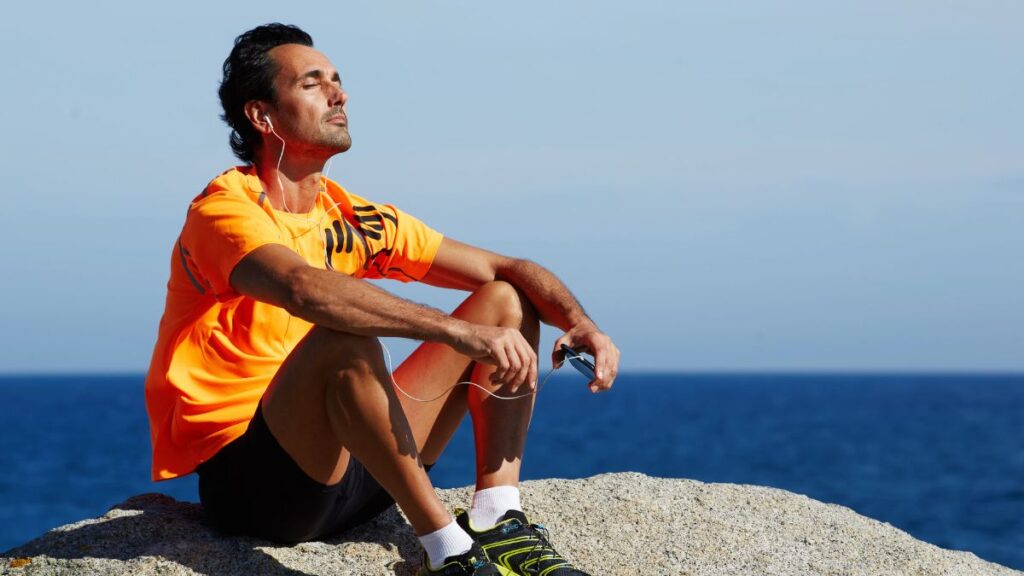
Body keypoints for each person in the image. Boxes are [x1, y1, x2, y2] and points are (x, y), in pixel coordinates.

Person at [145, 23, 620, 576]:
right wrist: (454, 331)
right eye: (312, 82)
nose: (338, 93)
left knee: (504, 300)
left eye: (338, 80)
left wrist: (580, 321)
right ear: (262, 116)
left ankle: (497, 516)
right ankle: (447, 551)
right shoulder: (224, 211)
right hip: (260, 486)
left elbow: (505, 268)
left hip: (360, 475)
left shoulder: (352, 216)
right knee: (341, 337)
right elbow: (303, 288)